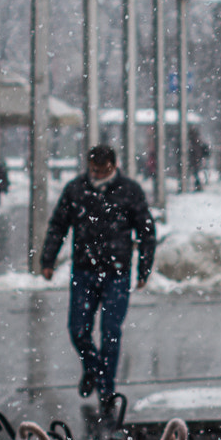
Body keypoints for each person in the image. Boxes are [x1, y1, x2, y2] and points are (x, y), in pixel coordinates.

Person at [40, 143, 155, 415]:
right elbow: (59, 225)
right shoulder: (76, 189)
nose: (99, 175)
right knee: (78, 329)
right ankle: (92, 367)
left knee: (111, 333)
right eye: (94, 171)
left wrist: (144, 268)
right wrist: (47, 259)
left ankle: (106, 389)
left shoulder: (129, 191)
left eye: (103, 171)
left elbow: (146, 230)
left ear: (114, 166)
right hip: (84, 269)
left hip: (117, 272)